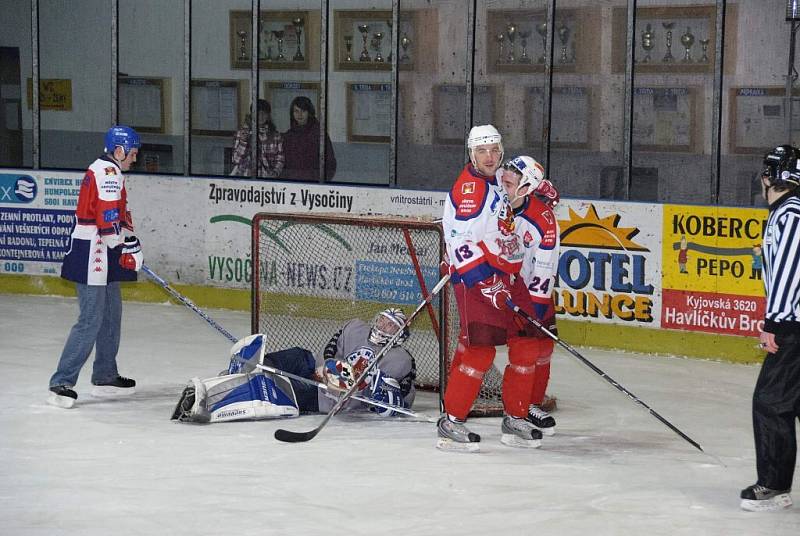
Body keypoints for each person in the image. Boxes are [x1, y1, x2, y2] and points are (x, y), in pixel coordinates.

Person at [437, 124, 560, 452]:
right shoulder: (470, 191)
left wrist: (536, 188)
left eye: (494, 150)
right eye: (482, 151)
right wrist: (486, 282)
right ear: (471, 153)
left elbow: (515, 185)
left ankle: (516, 417)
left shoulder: (494, 176)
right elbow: (458, 241)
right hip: (478, 281)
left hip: (509, 275)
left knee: (528, 343)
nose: (490, 157)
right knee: (479, 352)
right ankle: (452, 421)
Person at [171, 309, 415, 423]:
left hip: (327, 397)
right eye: (382, 320)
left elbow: (401, 396)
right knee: (298, 355)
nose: (382, 326)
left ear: (400, 335)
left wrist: (372, 391)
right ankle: (244, 373)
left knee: (277, 387)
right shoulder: (355, 327)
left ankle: (214, 401)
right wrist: (322, 369)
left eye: (390, 325)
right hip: (318, 374)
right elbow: (330, 350)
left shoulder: (400, 359)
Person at [47, 126, 144, 409]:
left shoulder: (109, 171)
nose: (134, 159)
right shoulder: (108, 173)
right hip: (94, 250)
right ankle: (61, 382)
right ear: (119, 151)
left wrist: (127, 242)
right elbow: (107, 218)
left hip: (105, 248)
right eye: (133, 153)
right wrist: (123, 245)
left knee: (112, 313)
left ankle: (104, 374)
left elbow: (118, 216)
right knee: (91, 318)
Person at [740, 144, 800, 512]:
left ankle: (775, 486)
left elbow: (790, 274)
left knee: (771, 403)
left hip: (793, 326)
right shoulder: (787, 212)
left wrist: (773, 324)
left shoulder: (790, 214)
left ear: (768, 178)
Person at [281, 96, 336, 180]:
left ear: (309, 112)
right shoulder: (289, 136)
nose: (300, 114)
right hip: (291, 184)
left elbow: (330, 162)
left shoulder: (319, 134)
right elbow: (283, 162)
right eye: (296, 111)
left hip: (313, 186)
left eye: (303, 111)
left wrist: (321, 183)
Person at [230, 99, 284, 178]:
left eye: (264, 113)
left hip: (267, 181)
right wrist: (243, 142)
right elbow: (236, 160)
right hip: (244, 180)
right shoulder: (241, 133)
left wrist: (275, 173)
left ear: (268, 115)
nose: (260, 116)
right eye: (257, 113)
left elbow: (280, 159)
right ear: (252, 114)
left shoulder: (276, 136)